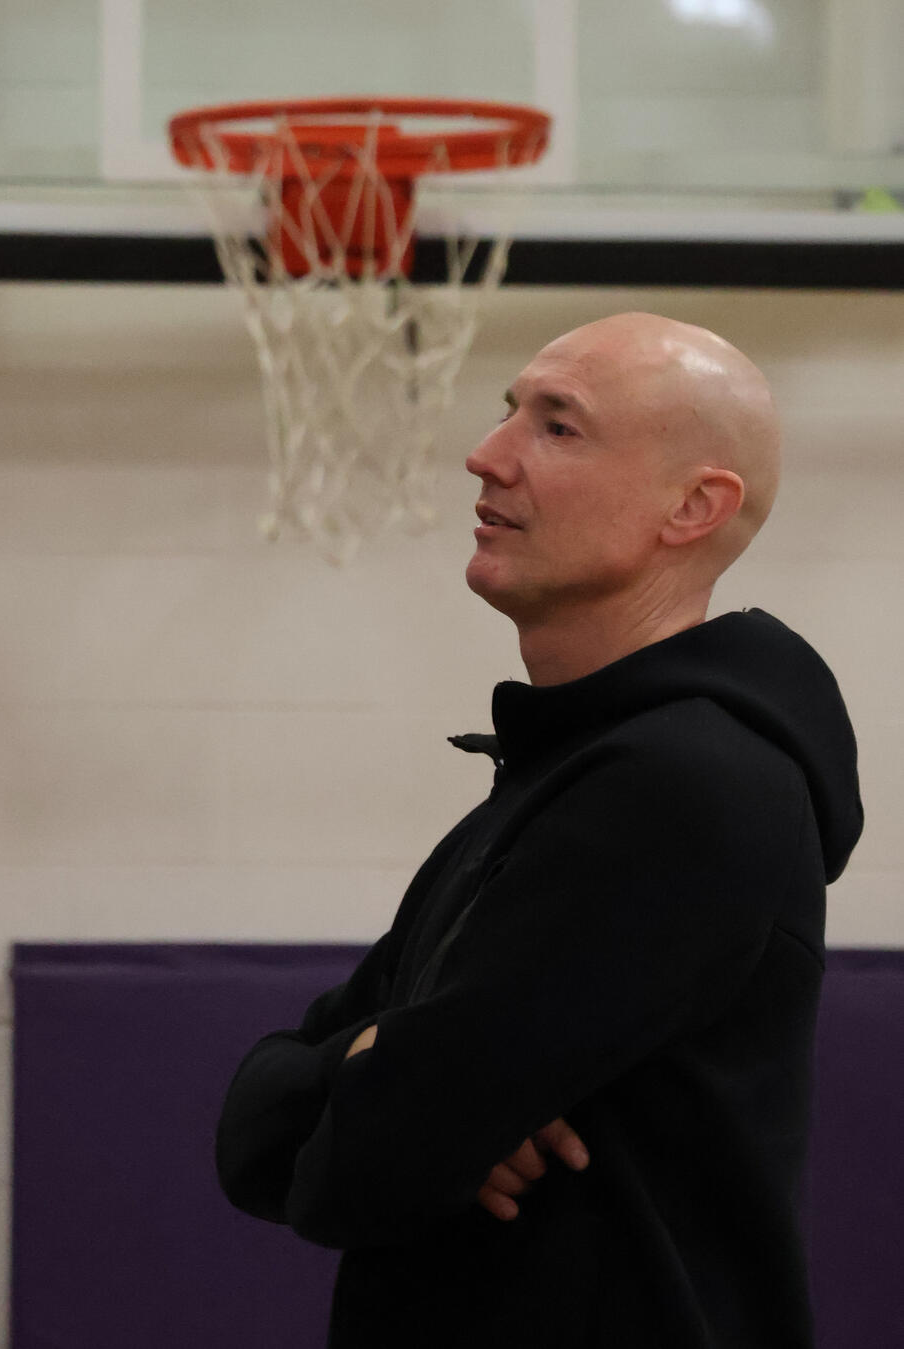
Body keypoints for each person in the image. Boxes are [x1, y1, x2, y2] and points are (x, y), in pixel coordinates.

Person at [215, 312, 863, 1347]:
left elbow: (370, 1162)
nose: (487, 454)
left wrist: (376, 1083)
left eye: (557, 426)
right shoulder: (556, 776)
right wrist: (366, 1066)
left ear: (693, 506)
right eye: (508, 411)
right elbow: (256, 1131)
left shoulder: (683, 788)